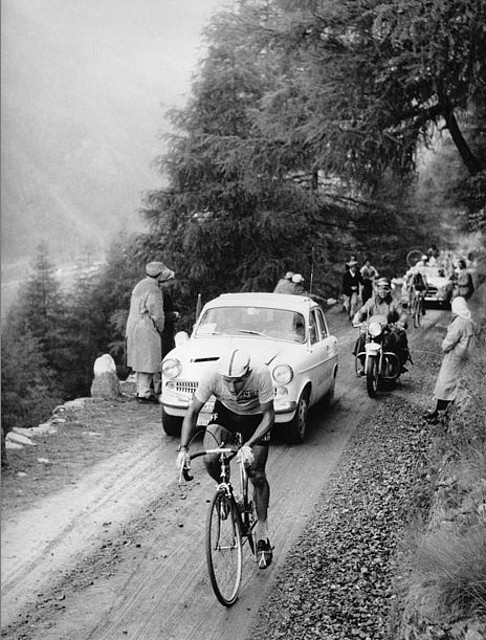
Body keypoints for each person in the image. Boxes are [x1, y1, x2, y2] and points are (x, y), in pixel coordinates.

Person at [176, 348, 275, 569]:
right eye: (228, 381)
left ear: (248, 374)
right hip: (226, 415)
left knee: (256, 473)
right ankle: (233, 496)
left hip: (256, 419)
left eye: (238, 382)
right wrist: (183, 448)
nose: (232, 387)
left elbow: (269, 415)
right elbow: (192, 412)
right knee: (210, 459)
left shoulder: (261, 374)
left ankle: (262, 533)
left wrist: (248, 446)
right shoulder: (211, 375)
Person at [125, 261, 173, 403]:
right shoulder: (154, 289)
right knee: (149, 360)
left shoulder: (140, 285)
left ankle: (141, 389)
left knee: (140, 360)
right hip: (145, 326)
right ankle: (145, 393)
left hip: (133, 325)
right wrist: (160, 327)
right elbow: (157, 313)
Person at [423, 297, 475, 424]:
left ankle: (439, 414)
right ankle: (440, 412)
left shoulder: (459, 322)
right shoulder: (470, 321)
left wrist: (444, 346)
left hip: (454, 358)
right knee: (453, 385)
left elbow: (449, 342)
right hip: (464, 357)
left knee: (444, 384)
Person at [352, 277, 410, 375]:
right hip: (373, 330)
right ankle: (364, 364)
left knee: (398, 340)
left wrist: (401, 322)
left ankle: (396, 365)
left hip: (388, 331)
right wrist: (357, 319)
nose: (382, 291)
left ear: (389, 290)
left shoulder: (394, 302)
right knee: (362, 339)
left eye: (385, 288)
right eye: (380, 288)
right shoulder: (371, 302)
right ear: (376, 289)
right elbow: (362, 311)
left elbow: (402, 313)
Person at [159, 272, 180, 358]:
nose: (172, 282)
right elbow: (158, 313)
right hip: (163, 330)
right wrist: (173, 315)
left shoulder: (165, 292)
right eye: (171, 280)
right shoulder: (160, 293)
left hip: (167, 329)